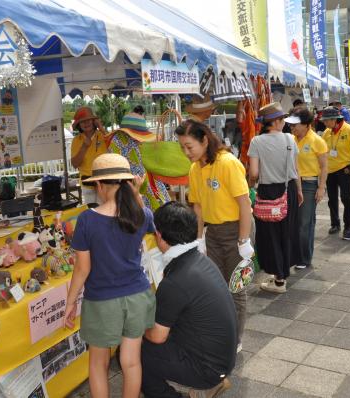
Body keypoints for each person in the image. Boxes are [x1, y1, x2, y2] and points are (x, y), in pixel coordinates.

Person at [64, 153, 156, 397]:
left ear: (98, 185)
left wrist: (70, 302)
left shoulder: (86, 220)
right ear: (127, 183)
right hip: (138, 295)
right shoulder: (142, 215)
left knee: (98, 363)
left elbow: (82, 269)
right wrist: (136, 193)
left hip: (102, 300)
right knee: (131, 362)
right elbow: (142, 214)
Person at [142, 202, 236, 398]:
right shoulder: (200, 260)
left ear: (159, 235)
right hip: (223, 360)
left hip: (207, 368)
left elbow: (157, 336)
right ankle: (209, 385)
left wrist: (135, 326)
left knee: (134, 350)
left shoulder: (176, 279)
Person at [176, 119, 252, 352]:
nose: (186, 152)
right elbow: (197, 207)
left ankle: (235, 339)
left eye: (189, 146)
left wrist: (244, 240)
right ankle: (221, 332)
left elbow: (244, 204)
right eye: (182, 148)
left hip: (237, 229)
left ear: (205, 140)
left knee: (236, 288)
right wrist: (199, 239)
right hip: (213, 232)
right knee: (217, 288)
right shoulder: (195, 168)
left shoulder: (227, 163)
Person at [248, 102, 302, 292]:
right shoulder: (290, 139)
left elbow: (253, 173)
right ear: (277, 122)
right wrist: (300, 190)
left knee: (270, 235)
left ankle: (278, 278)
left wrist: (251, 184)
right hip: (289, 191)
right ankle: (282, 276)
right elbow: (296, 169)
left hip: (267, 192)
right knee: (287, 233)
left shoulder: (256, 141)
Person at [284, 106, 328, 270]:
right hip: (292, 183)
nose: (292, 127)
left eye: (296, 124)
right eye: (291, 125)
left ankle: (304, 257)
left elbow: (324, 167)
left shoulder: (317, 141)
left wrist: (321, 187)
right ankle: (295, 255)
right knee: (294, 222)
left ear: (307, 124)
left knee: (305, 223)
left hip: (309, 184)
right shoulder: (289, 139)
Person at [321, 106, 350, 240]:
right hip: (330, 171)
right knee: (331, 199)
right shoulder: (327, 132)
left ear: (334, 119)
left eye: (326, 121)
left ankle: (348, 226)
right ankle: (335, 224)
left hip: (344, 169)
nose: (324, 123)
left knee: (346, 198)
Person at [70, 107, 107, 204]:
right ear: (79, 125)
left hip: (105, 182)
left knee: (104, 213)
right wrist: (84, 147)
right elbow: (74, 164)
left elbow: (115, 146)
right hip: (87, 184)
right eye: (82, 121)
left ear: (94, 121)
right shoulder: (76, 140)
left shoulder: (104, 135)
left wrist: (101, 128)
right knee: (91, 214)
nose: (86, 123)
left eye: (88, 120)